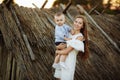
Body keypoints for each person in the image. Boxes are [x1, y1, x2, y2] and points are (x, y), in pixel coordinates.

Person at [54, 15, 89, 80]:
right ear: (73, 22)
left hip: (68, 63)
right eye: (76, 21)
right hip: (61, 60)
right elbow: (60, 45)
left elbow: (66, 51)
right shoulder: (68, 34)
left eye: (80, 23)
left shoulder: (80, 37)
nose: (77, 24)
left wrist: (57, 51)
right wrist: (57, 47)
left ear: (82, 26)